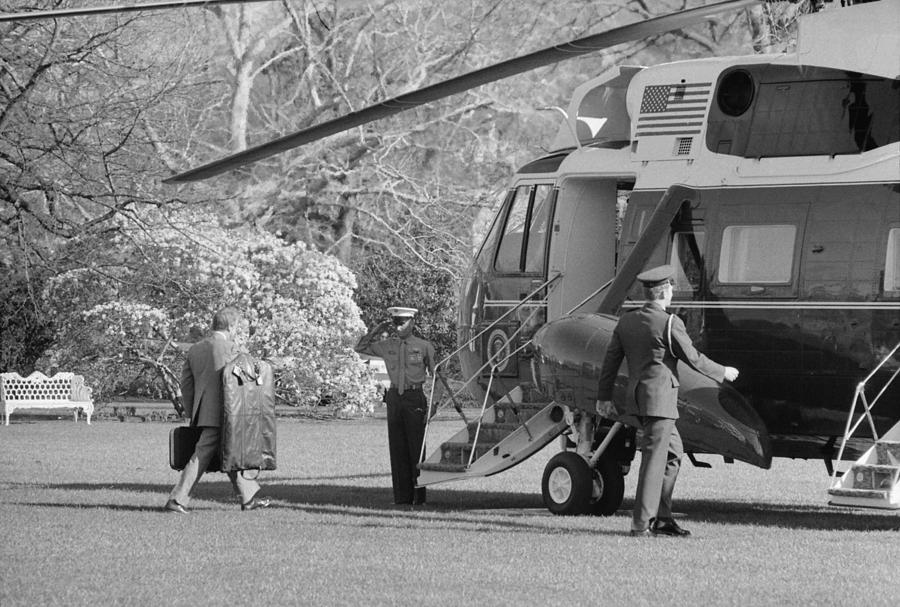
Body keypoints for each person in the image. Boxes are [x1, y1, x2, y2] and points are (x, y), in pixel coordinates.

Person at [596, 265, 739, 537]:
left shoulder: (627, 321)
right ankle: (641, 524)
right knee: (655, 461)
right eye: (671, 288)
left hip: (640, 400)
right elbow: (693, 358)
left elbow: (610, 362)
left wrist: (604, 397)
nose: (673, 292)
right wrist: (723, 372)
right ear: (664, 291)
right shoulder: (670, 323)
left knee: (673, 454)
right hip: (660, 401)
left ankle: (662, 518)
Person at [165, 307, 270, 514]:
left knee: (229, 452)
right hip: (227, 412)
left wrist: (192, 410)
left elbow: (186, 384)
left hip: (203, 411)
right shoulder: (233, 349)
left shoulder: (195, 349)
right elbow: (245, 383)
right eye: (237, 326)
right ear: (231, 326)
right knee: (203, 454)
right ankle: (177, 499)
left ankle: (248, 498)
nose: (237, 330)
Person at [355, 306, 436, 505]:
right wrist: (375, 330)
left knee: (416, 447)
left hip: (414, 396)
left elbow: (437, 376)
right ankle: (402, 498)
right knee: (397, 448)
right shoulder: (387, 345)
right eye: (396, 323)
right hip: (394, 398)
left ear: (412, 322)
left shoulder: (424, 346)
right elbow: (360, 348)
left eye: (403, 322)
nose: (399, 327)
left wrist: (434, 403)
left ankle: (419, 497)